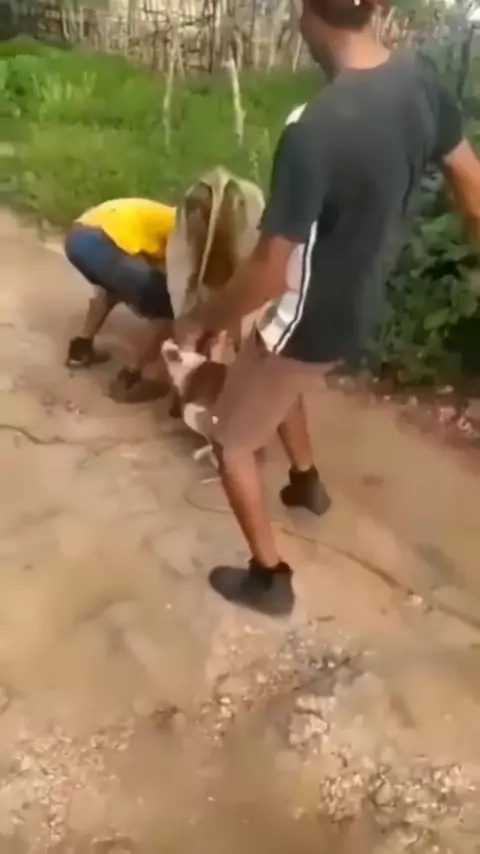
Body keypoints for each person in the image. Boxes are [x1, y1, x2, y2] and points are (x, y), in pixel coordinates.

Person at [175, 0, 480, 617]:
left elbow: (269, 273)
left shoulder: (313, 131)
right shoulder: (420, 83)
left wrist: (200, 320)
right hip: (361, 304)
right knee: (280, 380)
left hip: (305, 316)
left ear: (308, 15)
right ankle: (306, 483)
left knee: (232, 441)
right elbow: (474, 192)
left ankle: (270, 578)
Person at [64, 198, 176, 392]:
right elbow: (175, 276)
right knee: (165, 314)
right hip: (104, 244)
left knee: (113, 288)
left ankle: (80, 350)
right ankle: (129, 380)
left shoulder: (166, 216)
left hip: (76, 240)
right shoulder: (182, 231)